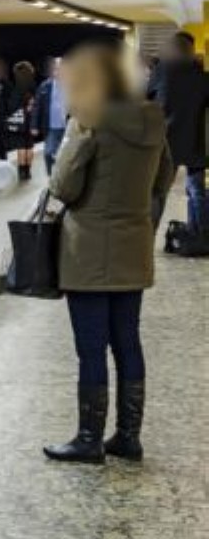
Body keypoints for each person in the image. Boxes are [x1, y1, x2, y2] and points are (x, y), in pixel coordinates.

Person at [43, 43, 174, 464]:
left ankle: (89, 439)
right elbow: (164, 179)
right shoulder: (152, 120)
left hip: (88, 251)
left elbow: (63, 186)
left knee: (91, 347)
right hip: (134, 248)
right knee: (127, 342)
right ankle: (128, 437)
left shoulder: (89, 119)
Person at [155, 31, 208, 234]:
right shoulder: (201, 76)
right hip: (195, 140)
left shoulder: (162, 71)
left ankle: (149, 233)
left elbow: (146, 100)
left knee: (160, 192)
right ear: (191, 51)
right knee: (196, 191)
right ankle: (201, 235)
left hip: (166, 141)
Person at [33, 57, 68, 174]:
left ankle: (63, 176)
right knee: (48, 153)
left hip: (68, 127)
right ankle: (51, 175)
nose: (58, 71)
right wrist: (34, 125)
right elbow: (37, 106)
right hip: (51, 127)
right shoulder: (45, 86)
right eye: (55, 68)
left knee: (67, 155)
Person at [8, 61, 38, 180]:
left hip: (19, 119)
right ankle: (28, 171)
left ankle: (21, 172)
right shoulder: (33, 86)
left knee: (21, 146)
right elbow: (36, 102)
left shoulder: (16, 87)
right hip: (30, 119)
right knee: (29, 146)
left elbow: (12, 105)